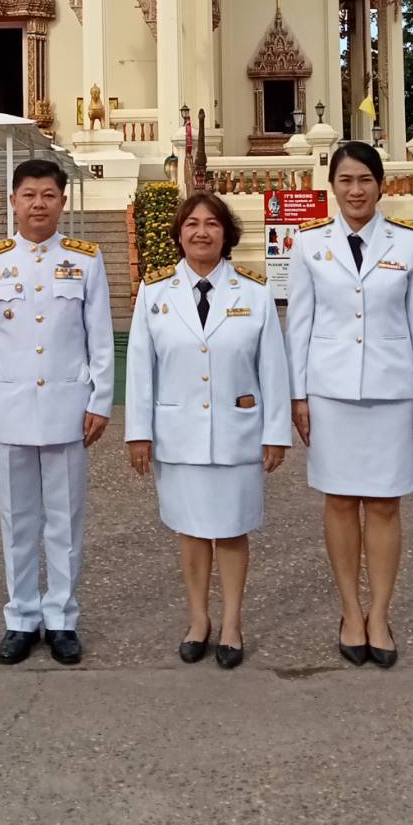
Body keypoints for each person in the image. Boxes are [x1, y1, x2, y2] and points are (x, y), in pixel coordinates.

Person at [285, 141, 413, 669]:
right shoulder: (309, 246)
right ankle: (350, 611)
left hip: (392, 391)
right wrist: (297, 394)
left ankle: (380, 613)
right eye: (345, 180)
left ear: (381, 186)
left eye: (365, 180)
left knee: (387, 503)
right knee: (340, 501)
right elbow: (299, 323)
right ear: (333, 186)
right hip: (330, 393)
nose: (355, 190)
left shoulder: (408, 244)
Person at [125, 192, 291, 668]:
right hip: (178, 433)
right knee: (193, 531)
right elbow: (140, 368)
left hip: (238, 433)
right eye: (192, 223)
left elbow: (273, 369)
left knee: (234, 530)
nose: (202, 232)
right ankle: (199, 619)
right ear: (178, 233)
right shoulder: (155, 294)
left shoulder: (253, 293)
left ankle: (233, 622)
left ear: (227, 233)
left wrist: (275, 432)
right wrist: (139, 431)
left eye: (212, 224)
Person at [0, 158, 114, 666]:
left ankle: (63, 617)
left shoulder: (85, 258)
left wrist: (100, 399)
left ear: (62, 202)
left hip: (68, 407)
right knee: (17, 518)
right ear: (12, 201)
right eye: (28, 195)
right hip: (10, 406)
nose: (38, 204)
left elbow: (100, 336)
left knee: (65, 520)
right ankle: (21, 617)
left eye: (48, 195)